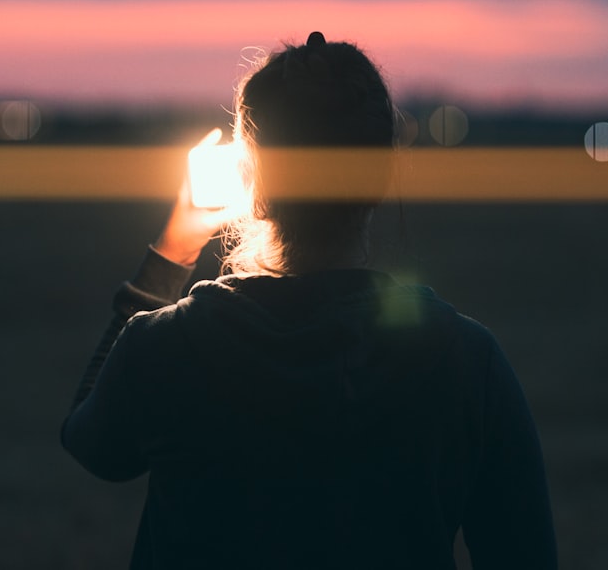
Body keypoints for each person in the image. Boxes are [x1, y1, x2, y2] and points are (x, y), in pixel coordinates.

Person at [61, 32, 558, 569]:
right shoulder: (464, 361)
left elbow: (92, 443)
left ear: (248, 177)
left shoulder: (169, 345)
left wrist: (172, 252)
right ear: (381, 174)